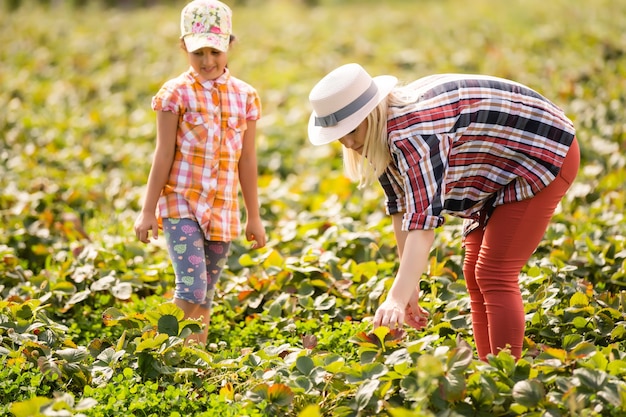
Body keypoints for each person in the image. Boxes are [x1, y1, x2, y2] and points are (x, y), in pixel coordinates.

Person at [307, 63, 579, 360]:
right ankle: (490, 370)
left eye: (353, 129)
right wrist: (407, 287)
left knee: (494, 273)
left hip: (543, 151)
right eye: (340, 134)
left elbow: (423, 228)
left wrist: (395, 300)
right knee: (474, 271)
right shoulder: (379, 135)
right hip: (497, 167)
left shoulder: (414, 133)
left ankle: (506, 376)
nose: (348, 142)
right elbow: (403, 209)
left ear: (371, 114)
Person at [134, 0, 266, 345]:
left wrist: (254, 216)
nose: (208, 61)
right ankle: (154, 351)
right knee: (191, 288)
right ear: (184, 48)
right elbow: (163, 153)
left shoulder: (246, 97)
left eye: (214, 51)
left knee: (205, 296)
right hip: (181, 203)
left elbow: (247, 160)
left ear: (229, 45)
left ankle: (194, 358)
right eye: (198, 53)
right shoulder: (175, 94)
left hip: (223, 207)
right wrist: (148, 210)